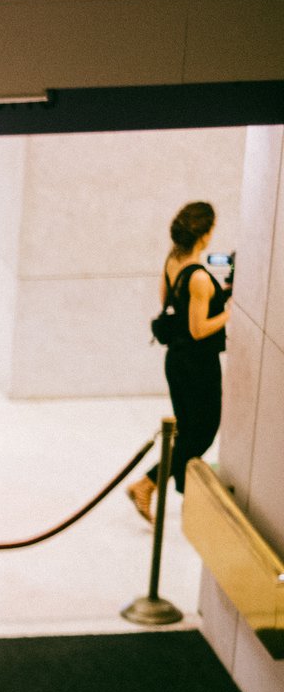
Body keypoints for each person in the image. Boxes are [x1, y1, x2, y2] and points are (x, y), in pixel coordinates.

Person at [130, 200, 231, 520]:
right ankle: (147, 484)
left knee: (188, 429)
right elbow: (199, 329)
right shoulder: (200, 277)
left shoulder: (172, 261)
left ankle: (182, 492)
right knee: (203, 431)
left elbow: (168, 300)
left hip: (176, 360)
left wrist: (219, 295)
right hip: (198, 364)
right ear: (204, 235)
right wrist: (230, 311)